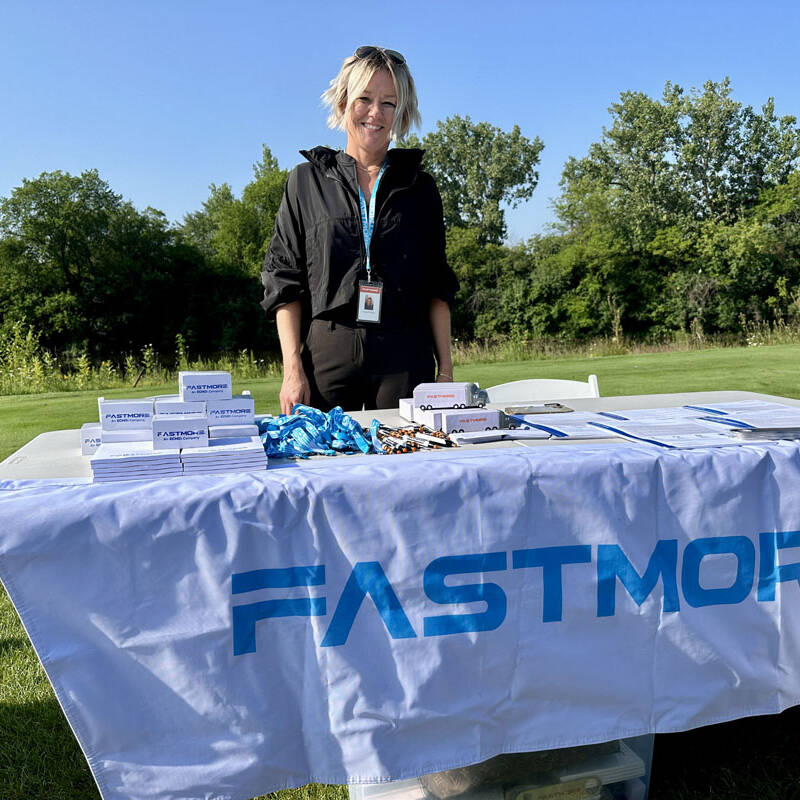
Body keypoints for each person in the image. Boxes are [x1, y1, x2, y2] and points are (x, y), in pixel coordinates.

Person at [261, 45, 459, 415]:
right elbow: (283, 281)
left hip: (405, 353)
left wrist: (445, 373)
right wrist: (292, 371)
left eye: (389, 102)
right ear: (342, 103)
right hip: (328, 353)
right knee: (324, 467)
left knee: (409, 465)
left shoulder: (421, 188)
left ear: (402, 113)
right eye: (364, 98)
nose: (375, 113)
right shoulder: (305, 182)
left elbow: (437, 286)